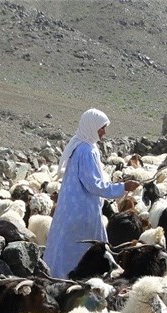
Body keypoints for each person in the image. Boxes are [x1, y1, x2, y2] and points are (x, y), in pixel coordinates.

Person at [42, 108, 140, 279]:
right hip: (82, 212)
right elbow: (93, 184)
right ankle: (77, 279)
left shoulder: (80, 145)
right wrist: (122, 187)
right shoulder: (87, 150)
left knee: (63, 245)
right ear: (91, 126)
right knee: (86, 249)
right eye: (101, 127)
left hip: (69, 208)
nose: (104, 132)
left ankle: (56, 276)